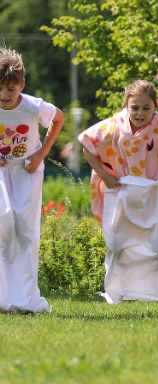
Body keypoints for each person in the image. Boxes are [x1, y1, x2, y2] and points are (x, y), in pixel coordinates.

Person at [78, 80, 158, 308]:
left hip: (154, 192)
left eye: (146, 108)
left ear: (155, 107)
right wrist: (105, 176)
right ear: (126, 105)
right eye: (135, 107)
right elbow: (87, 145)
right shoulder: (114, 125)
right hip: (122, 190)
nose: (140, 113)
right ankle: (116, 292)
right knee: (118, 244)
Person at [0, 47, 64, 313]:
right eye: (0, 90)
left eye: (10, 90)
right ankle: (4, 296)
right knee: (3, 224)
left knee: (26, 231)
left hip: (28, 170)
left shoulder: (33, 106)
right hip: (2, 172)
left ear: (21, 85)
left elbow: (58, 118)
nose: (4, 96)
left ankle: (25, 299)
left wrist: (40, 154)